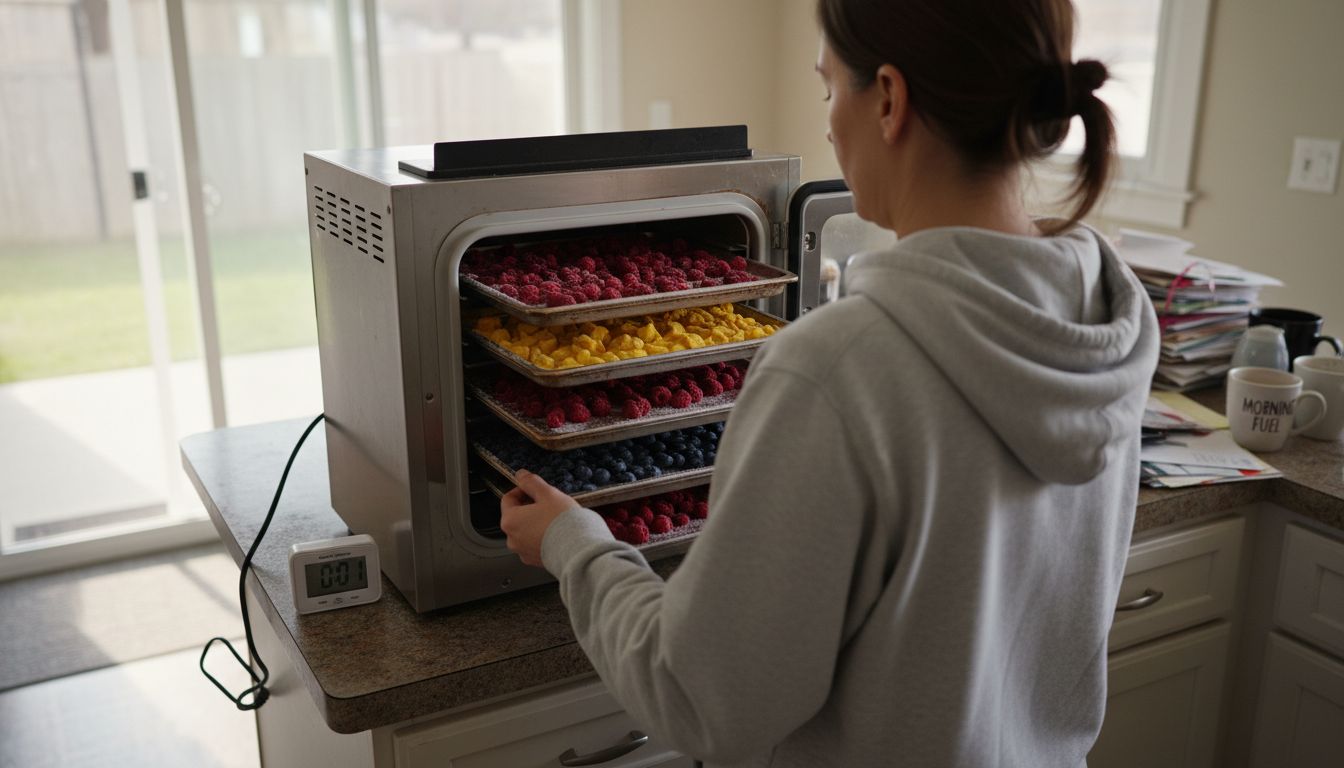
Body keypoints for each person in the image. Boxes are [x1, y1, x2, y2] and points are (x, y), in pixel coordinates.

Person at [500, 0, 1160, 765]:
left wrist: (576, 546)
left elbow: (699, 700)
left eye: (827, 90)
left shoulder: (837, 368)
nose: (826, 124)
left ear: (888, 99)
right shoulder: (1104, 319)